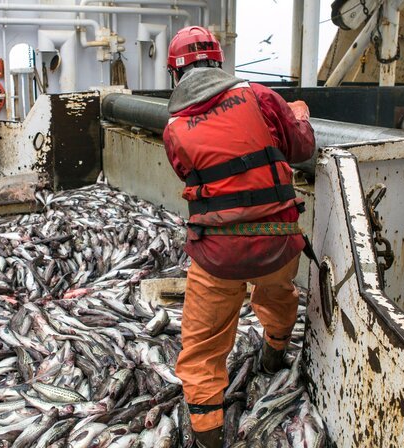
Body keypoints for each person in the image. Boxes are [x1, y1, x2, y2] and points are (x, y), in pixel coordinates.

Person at [162, 26, 315, 448]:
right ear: (218, 62)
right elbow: (301, 149)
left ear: (176, 75)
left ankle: (210, 437)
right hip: (279, 243)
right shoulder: (262, 97)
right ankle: (273, 353)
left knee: (203, 346)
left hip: (219, 258)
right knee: (276, 291)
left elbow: (188, 171)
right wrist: (298, 113)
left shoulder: (174, 129)